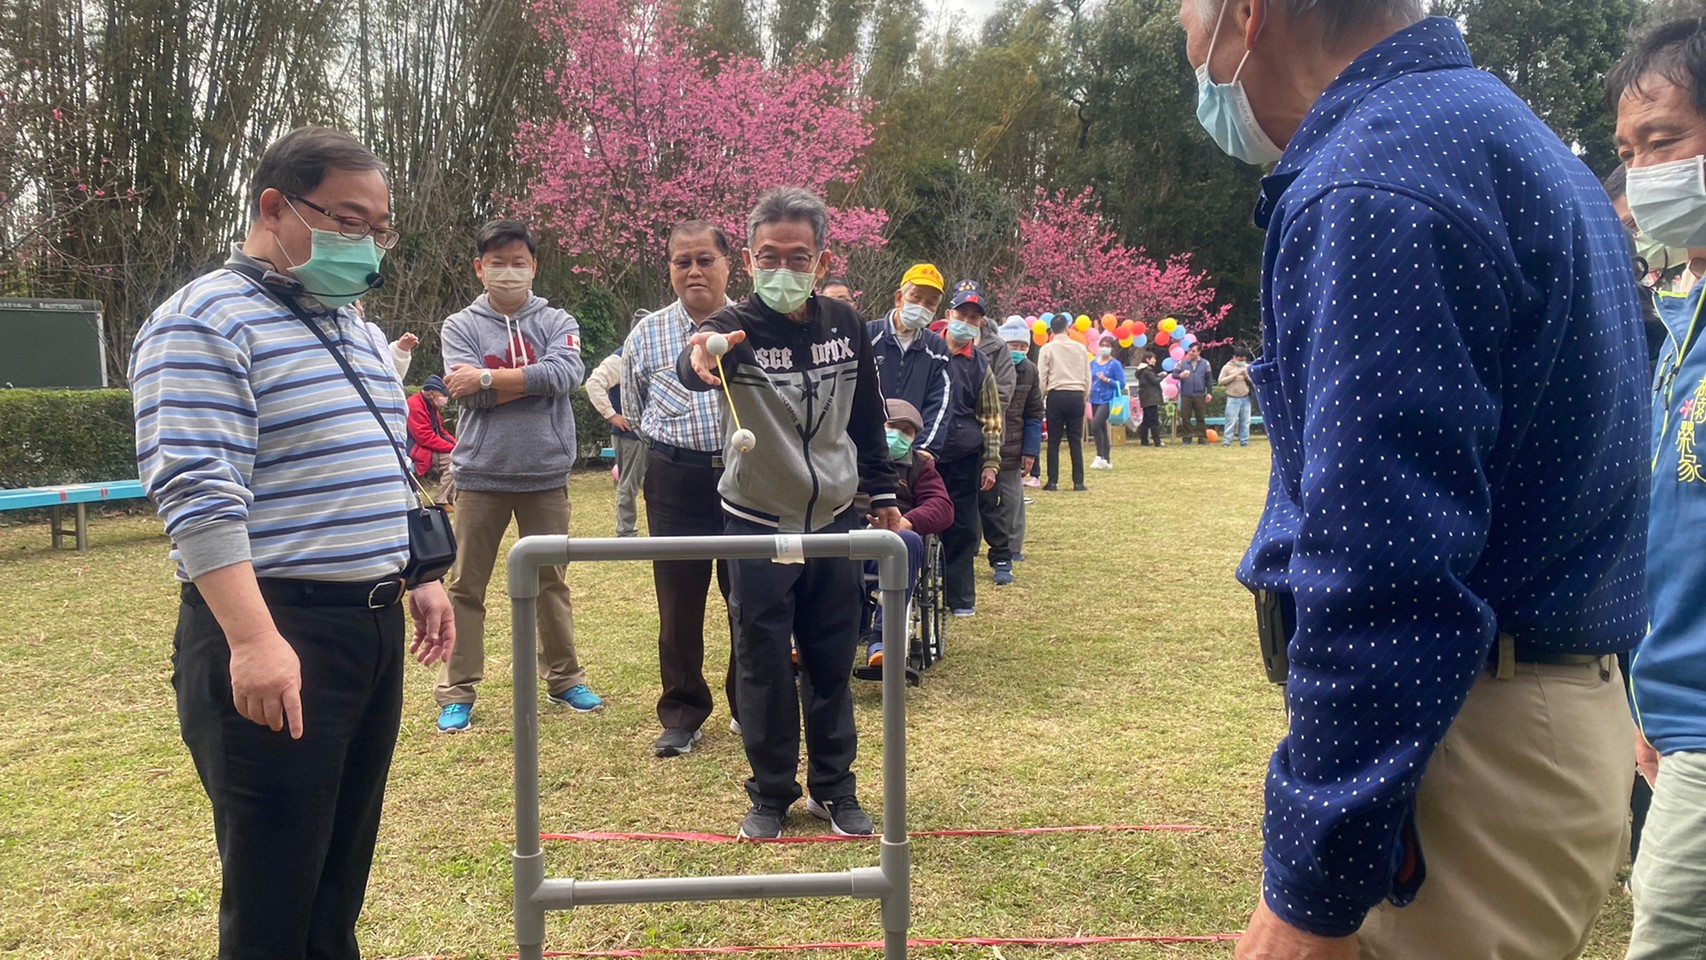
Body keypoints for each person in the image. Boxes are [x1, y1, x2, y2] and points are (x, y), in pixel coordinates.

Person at [1179, 4, 1649, 959]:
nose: (1185, 39)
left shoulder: (1376, 176)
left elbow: (1385, 568)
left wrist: (1313, 887)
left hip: (1465, 741)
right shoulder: (1494, 135)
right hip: (1526, 718)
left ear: (1244, 13)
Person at [129, 126, 456, 960]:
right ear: (275, 207)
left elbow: (381, 464)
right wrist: (252, 638)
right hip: (280, 629)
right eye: (349, 221)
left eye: (379, 228)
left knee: (336, 881)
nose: (368, 246)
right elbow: (197, 495)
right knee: (275, 894)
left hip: (369, 631)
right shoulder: (201, 322)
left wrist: (416, 571)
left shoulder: (346, 323)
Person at [678, 187, 902, 839]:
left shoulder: (846, 326)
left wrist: (882, 495)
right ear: (749, 262)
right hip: (755, 524)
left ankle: (834, 789)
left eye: (797, 256)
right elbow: (696, 357)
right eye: (769, 256)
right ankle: (771, 795)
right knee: (763, 663)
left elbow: (867, 416)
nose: (783, 268)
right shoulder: (732, 328)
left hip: (832, 521)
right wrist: (701, 361)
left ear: (822, 261)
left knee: (833, 659)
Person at [1613, 20, 1706, 959]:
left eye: (1667, 141)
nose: (1646, 175)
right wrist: (1652, 703)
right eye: (1631, 152)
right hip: (1676, 714)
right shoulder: (1678, 318)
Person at [434, 219, 600, 733]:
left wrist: (486, 377)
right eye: (498, 262)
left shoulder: (556, 319)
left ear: (534, 266)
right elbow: (466, 395)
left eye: (519, 261)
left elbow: (567, 376)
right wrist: (529, 382)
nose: (509, 271)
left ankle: (564, 678)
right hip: (480, 474)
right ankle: (457, 690)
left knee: (551, 582)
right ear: (480, 268)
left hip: (545, 472)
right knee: (466, 586)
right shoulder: (459, 325)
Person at [622, 220, 741, 758]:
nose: (694, 270)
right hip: (673, 478)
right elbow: (633, 409)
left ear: (728, 264)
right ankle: (683, 712)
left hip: (746, 476)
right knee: (677, 601)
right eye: (681, 261)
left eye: (705, 259)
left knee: (750, 596)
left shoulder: (754, 324)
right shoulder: (646, 334)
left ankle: (750, 703)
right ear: (669, 269)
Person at [859, 398, 954, 673]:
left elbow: (942, 506)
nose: (896, 435)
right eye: (890, 426)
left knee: (909, 542)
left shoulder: (919, 467)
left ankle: (883, 641)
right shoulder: (846, 454)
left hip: (894, 541)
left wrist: (908, 522)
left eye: (906, 431)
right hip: (848, 532)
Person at [935, 295, 1003, 617]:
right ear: (949, 314)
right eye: (963, 314)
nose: (967, 322)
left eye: (974, 318)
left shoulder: (980, 365)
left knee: (962, 528)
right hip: (924, 454)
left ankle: (960, 598)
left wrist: (991, 462)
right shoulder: (927, 351)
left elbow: (991, 417)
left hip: (964, 456)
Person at [867, 263, 951, 455]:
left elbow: (940, 403)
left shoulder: (937, 349)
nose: (922, 306)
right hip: (866, 448)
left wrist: (925, 448)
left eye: (931, 302)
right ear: (899, 298)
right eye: (916, 296)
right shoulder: (867, 336)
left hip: (912, 449)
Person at [583, 347, 644, 537]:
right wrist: (612, 415)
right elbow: (593, 384)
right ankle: (626, 533)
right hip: (629, 435)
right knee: (628, 485)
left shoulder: (648, 352)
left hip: (651, 434)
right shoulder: (621, 358)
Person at [997, 317, 1043, 564]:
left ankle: (1014, 546)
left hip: (1014, 445)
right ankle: (971, 545)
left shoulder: (1030, 371)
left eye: (1022, 346)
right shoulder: (989, 364)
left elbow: (1035, 414)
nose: (1017, 351)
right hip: (984, 442)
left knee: (1013, 499)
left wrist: (1030, 451)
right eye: (1012, 345)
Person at [1037, 313, 1090, 490]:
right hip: (1076, 395)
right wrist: (1083, 395)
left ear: (1051, 330)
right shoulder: (1080, 348)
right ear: (1068, 328)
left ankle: (1053, 481)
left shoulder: (1047, 348)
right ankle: (1079, 482)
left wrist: (1041, 396)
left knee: (1054, 440)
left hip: (1056, 395)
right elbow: (1087, 376)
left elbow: (1042, 376)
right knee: (1075, 439)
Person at [406, 373, 456, 503]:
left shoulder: (430, 403)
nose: (445, 398)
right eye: (443, 395)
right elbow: (424, 437)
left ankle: (451, 499)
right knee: (454, 461)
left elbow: (440, 430)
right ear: (432, 393)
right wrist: (452, 448)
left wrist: (456, 444)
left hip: (426, 447)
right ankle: (441, 501)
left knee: (458, 456)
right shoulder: (414, 405)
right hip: (416, 449)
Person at [1087, 334, 1127, 470]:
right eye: (1102, 346)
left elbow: (1121, 384)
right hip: (1094, 398)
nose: (1104, 348)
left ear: (1112, 348)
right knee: (1102, 428)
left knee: (1095, 424)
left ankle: (1099, 456)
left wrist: (1107, 380)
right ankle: (1106, 459)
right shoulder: (1093, 363)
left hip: (1108, 399)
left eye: (1107, 346)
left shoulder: (1115, 364)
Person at [1169, 343, 1212, 444]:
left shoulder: (1205, 363)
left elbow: (1208, 379)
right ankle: (1187, 437)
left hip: (1199, 394)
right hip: (1186, 394)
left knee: (1200, 417)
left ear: (1199, 352)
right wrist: (1180, 375)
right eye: (1189, 351)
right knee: (1185, 417)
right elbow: (1173, 375)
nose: (1190, 353)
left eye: (1193, 351)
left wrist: (1209, 392)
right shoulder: (1182, 363)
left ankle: (1202, 437)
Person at [1218, 346, 1254, 447]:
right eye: (1239, 359)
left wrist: (1246, 376)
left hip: (1245, 397)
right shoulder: (1227, 367)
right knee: (1230, 421)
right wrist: (1234, 375)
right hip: (1232, 397)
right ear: (1234, 357)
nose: (1241, 361)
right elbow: (1221, 381)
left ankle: (1244, 441)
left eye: (1243, 359)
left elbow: (1254, 382)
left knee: (1245, 421)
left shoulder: (1247, 367)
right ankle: (1227, 441)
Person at [1134, 350, 1165, 447]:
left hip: (1145, 399)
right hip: (1151, 399)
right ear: (1147, 360)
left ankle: (1144, 441)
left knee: (1146, 421)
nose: (1155, 360)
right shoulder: (1147, 370)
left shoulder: (1142, 370)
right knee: (1153, 421)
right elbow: (1155, 381)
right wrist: (1162, 376)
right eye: (1153, 358)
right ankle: (1157, 441)